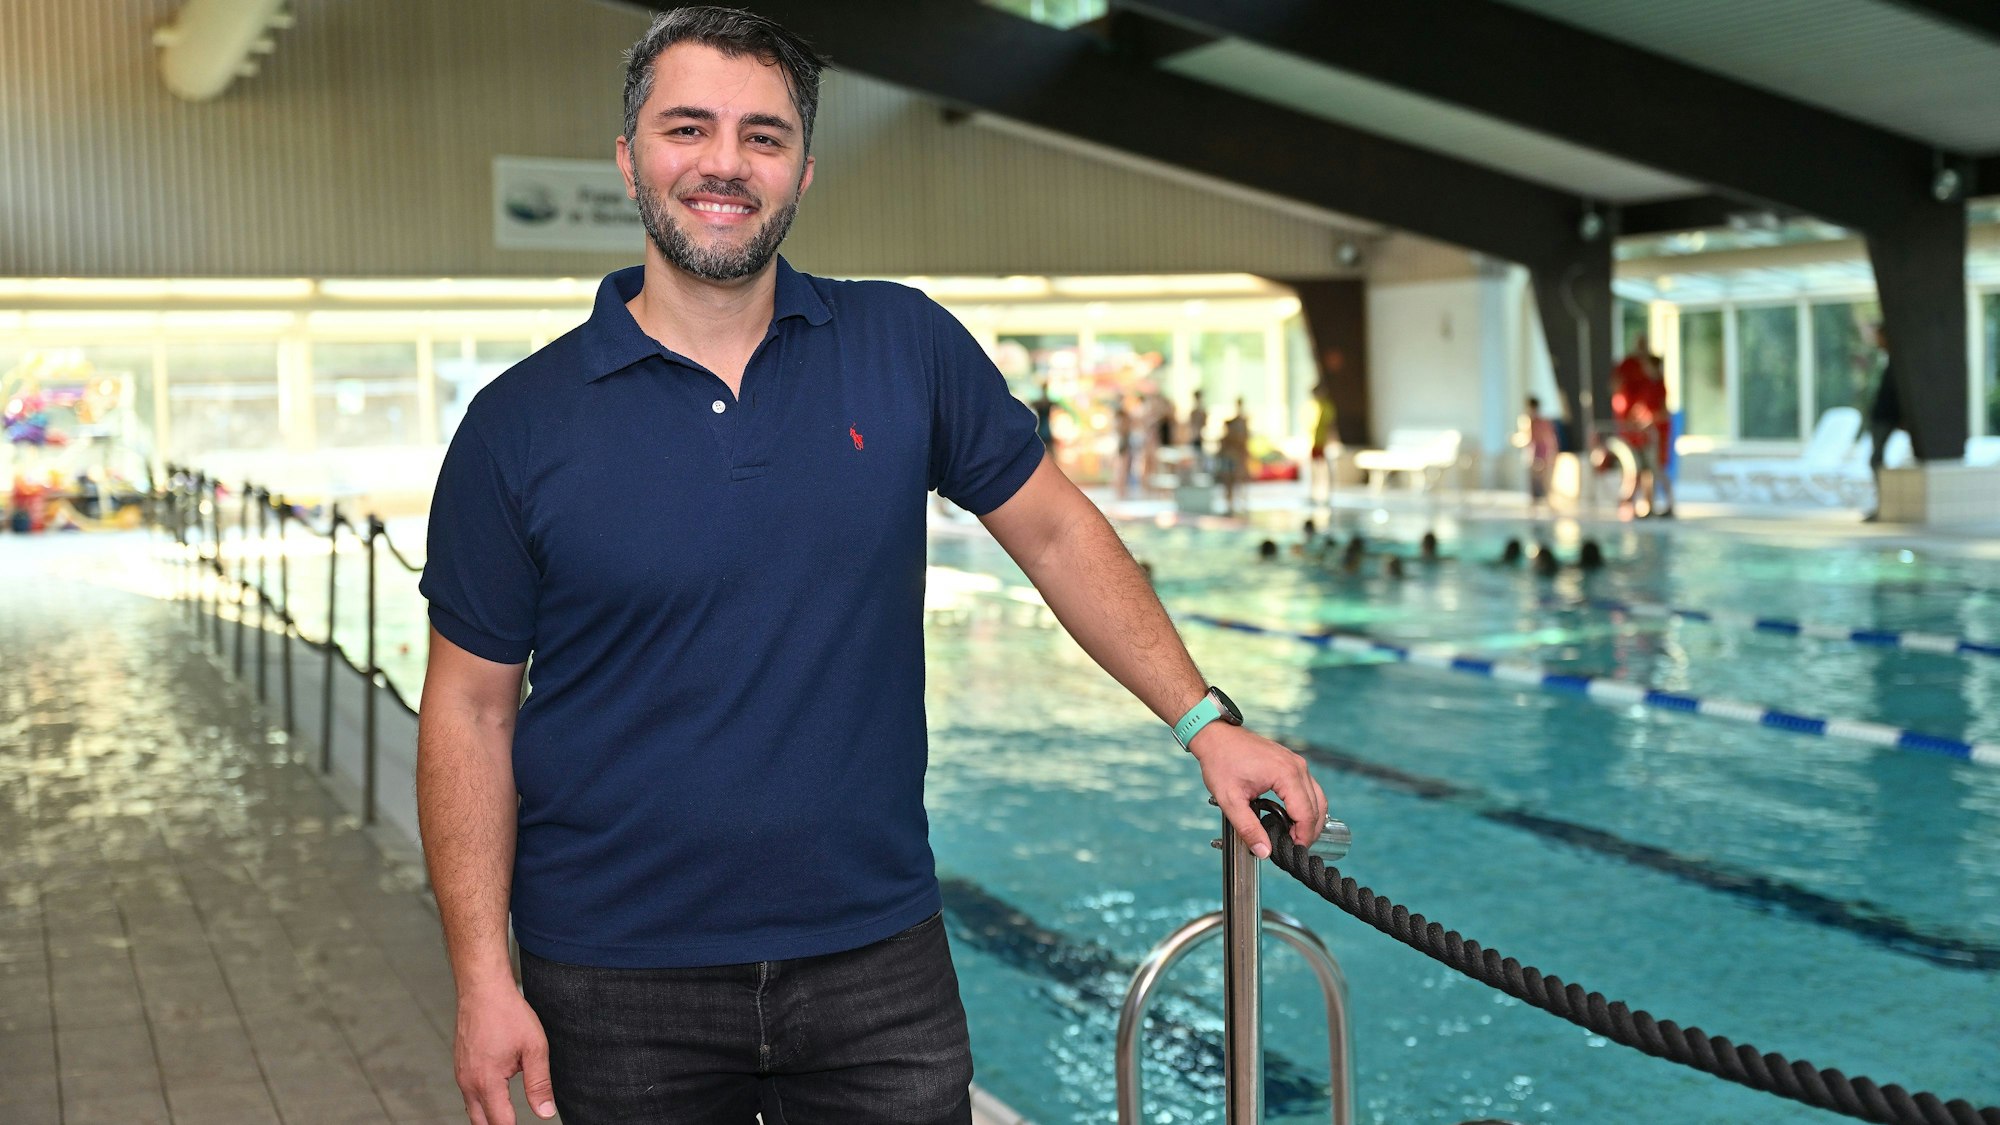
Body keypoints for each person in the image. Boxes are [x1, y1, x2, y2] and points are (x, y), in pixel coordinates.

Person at [414, 11, 1326, 1125]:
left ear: (801, 171)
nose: (722, 164)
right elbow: (469, 711)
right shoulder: (519, 424)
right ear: (628, 156)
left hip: (872, 959)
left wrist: (1203, 720)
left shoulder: (902, 346)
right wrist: (481, 979)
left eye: (762, 135)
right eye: (686, 127)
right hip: (611, 974)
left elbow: (1051, 531)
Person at [1612, 339, 1674, 518]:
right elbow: (1642, 409)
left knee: (1656, 470)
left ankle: (1667, 504)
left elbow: (1663, 413)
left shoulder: (1659, 386)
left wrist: (1648, 422)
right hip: (1645, 434)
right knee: (1646, 470)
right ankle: (1648, 505)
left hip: (1655, 434)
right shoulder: (1647, 385)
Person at [1864, 324, 1901, 523]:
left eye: (1878, 337)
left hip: (1886, 418)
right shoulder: (1889, 360)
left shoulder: (1898, 362)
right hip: (1882, 417)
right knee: (1875, 460)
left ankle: (1885, 506)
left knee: (1875, 460)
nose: (1876, 342)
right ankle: (1884, 506)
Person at [1514, 396, 1557, 515]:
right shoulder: (1532, 420)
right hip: (1535, 454)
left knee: (1542, 482)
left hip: (1539, 453)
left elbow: (1532, 439)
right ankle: (1538, 507)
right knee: (1536, 483)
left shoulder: (1535, 421)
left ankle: (1545, 505)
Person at [1307, 356, 1340, 507]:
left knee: (1324, 468)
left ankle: (1327, 493)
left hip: (1323, 441)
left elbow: (1329, 424)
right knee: (1314, 468)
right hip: (1314, 441)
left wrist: (1331, 440)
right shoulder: (1313, 405)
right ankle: (1314, 492)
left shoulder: (1326, 406)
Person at [1216, 397, 1251, 516]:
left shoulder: (1240, 428)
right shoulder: (1227, 439)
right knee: (1229, 481)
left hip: (1235, 458)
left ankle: (1240, 502)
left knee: (1238, 480)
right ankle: (1230, 503)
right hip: (1230, 459)